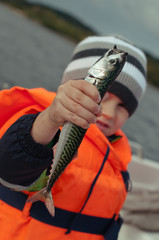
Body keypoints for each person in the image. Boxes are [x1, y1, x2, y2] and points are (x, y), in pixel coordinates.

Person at [0, 35, 147, 240]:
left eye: (123, 107)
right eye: (103, 96)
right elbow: (11, 169)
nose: (110, 113)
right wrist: (51, 118)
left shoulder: (117, 153)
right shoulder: (41, 123)